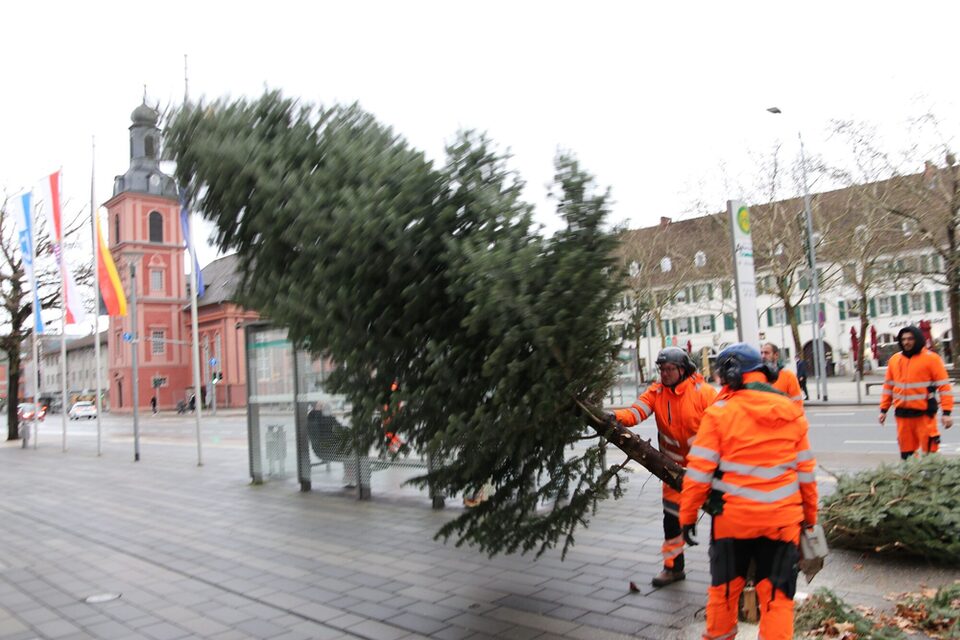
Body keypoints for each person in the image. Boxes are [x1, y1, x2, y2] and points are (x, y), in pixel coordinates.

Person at [680, 343, 818, 640]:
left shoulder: (719, 412)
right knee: (778, 600)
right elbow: (806, 473)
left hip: (733, 522)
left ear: (731, 373)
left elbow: (698, 473)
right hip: (782, 524)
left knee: (724, 593)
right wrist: (810, 517)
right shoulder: (791, 410)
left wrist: (687, 516)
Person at [611, 347, 718, 587]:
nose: (665, 374)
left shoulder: (703, 393)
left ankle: (728, 569)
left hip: (706, 468)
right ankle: (673, 568)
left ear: (682, 369)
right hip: (673, 469)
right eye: (662, 369)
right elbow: (636, 412)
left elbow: (722, 424)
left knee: (720, 516)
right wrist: (614, 417)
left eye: (669, 369)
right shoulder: (657, 392)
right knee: (671, 518)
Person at [878, 326, 953, 459]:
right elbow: (888, 387)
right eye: (903, 339)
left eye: (910, 339)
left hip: (924, 414)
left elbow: (944, 387)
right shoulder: (895, 360)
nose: (906, 342)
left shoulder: (932, 359)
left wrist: (946, 412)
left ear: (917, 339)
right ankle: (910, 478)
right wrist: (883, 410)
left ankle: (931, 478)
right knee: (907, 455)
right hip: (902, 416)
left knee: (930, 454)